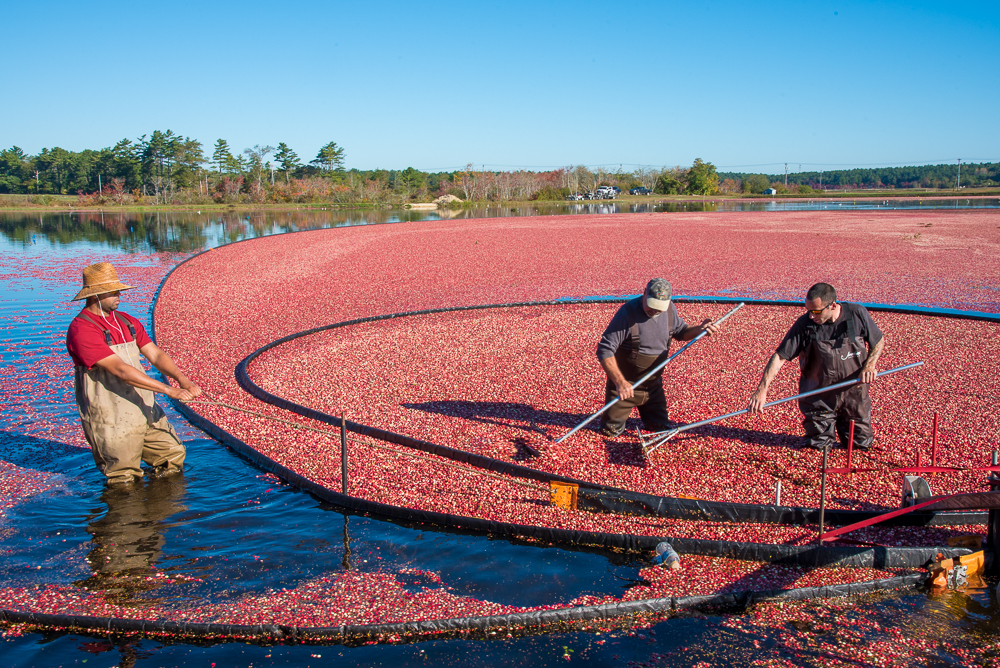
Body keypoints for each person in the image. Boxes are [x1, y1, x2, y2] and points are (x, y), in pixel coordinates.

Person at [66, 262, 201, 485]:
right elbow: (120, 370)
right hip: (111, 412)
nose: (120, 295)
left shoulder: (127, 322)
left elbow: (155, 355)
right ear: (96, 295)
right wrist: (169, 390)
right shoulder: (82, 329)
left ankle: (163, 511)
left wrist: (182, 379)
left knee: (171, 455)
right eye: (113, 291)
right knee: (123, 476)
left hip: (143, 404)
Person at [747, 283, 884, 450]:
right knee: (818, 448)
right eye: (808, 310)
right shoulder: (805, 324)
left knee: (860, 446)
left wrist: (869, 366)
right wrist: (762, 389)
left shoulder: (857, 314)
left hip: (854, 395)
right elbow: (779, 357)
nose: (811, 316)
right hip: (819, 399)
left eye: (816, 311)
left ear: (833, 305)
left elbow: (878, 341)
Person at [596, 278, 720, 437]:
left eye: (659, 308)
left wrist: (699, 329)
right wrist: (620, 382)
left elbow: (681, 331)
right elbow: (605, 349)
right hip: (625, 387)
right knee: (610, 432)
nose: (654, 311)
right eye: (651, 306)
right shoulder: (627, 314)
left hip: (653, 387)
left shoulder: (669, 310)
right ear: (644, 293)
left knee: (661, 430)